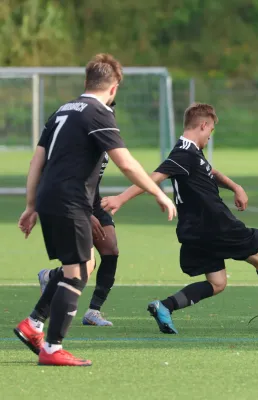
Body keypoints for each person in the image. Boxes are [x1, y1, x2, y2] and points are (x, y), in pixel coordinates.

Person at [14, 53, 176, 366]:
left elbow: (37, 160)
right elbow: (126, 162)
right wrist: (159, 191)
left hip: (51, 197)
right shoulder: (98, 112)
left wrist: (32, 204)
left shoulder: (63, 110)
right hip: (70, 199)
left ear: (87, 81)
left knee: (81, 266)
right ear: (114, 88)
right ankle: (51, 348)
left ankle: (33, 324)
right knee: (77, 272)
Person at [101, 102, 258, 334]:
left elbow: (210, 172)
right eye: (211, 131)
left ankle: (165, 306)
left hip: (195, 230)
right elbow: (154, 177)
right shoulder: (183, 153)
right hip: (214, 223)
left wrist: (235, 186)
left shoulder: (193, 152)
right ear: (203, 125)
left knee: (217, 283)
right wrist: (121, 199)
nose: (210, 137)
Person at [38, 151, 119, 326]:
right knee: (86, 264)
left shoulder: (104, 135)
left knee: (111, 250)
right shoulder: (79, 137)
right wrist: (86, 214)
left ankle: (93, 312)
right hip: (74, 203)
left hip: (93, 202)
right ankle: (50, 278)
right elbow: (64, 180)